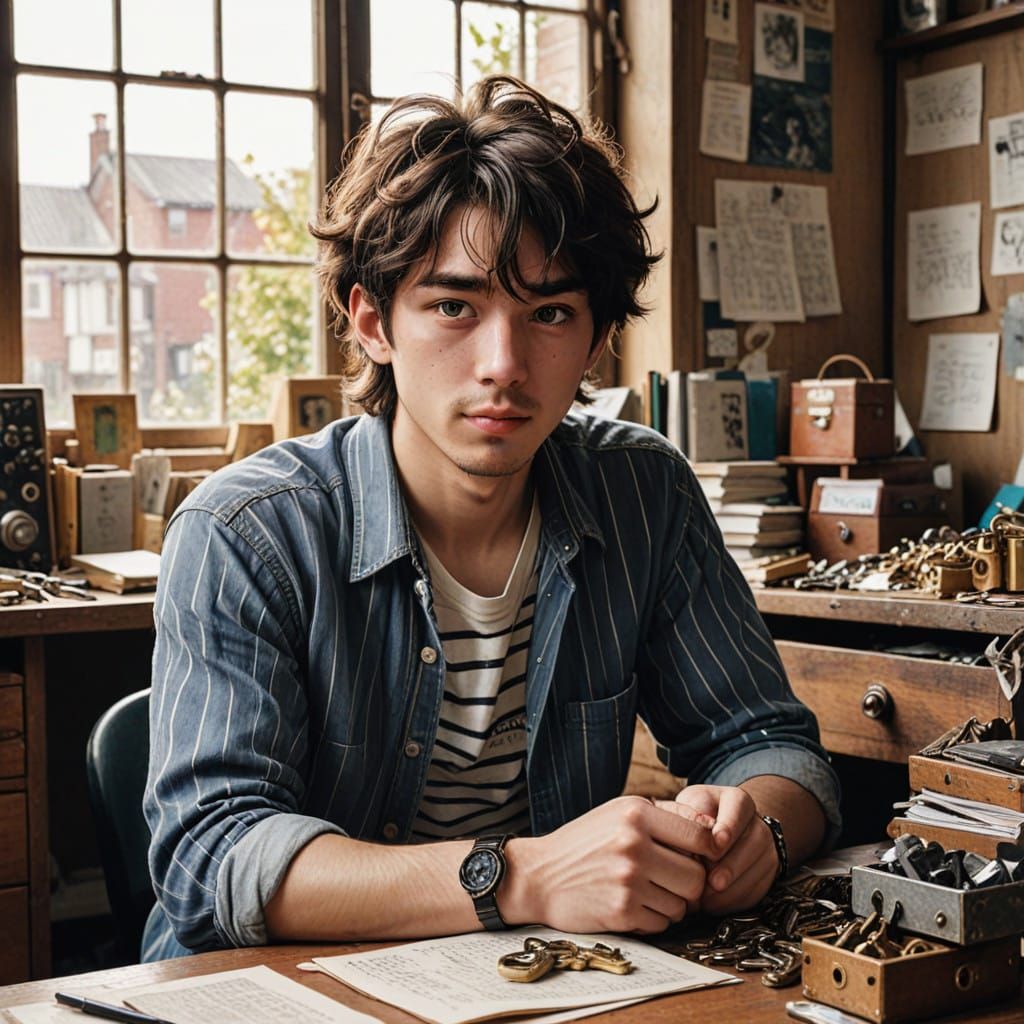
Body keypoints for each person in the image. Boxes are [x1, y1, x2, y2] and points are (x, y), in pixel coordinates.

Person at [142, 75, 840, 960]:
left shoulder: (644, 495)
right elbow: (212, 858)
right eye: (453, 306)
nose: (503, 364)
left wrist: (756, 833)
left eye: (549, 313)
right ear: (372, 321)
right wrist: (523, 875)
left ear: (594, 340)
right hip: (282, 990)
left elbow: (772, 745)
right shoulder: (245, 532)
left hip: (548, 981)